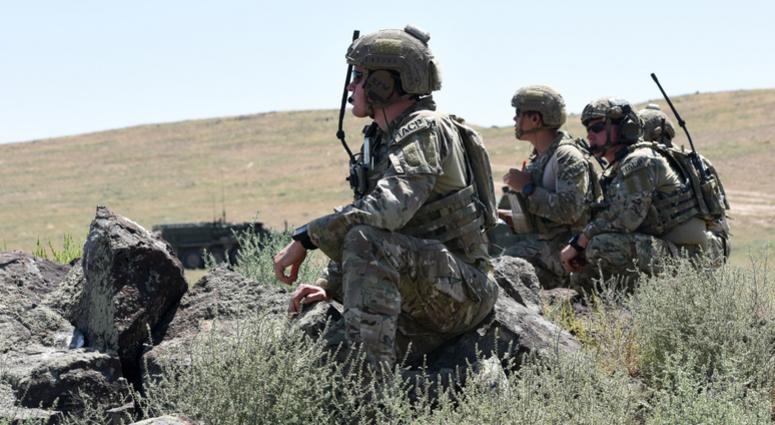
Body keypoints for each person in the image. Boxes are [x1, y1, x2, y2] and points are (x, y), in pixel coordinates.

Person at [272, 25, 498, 369]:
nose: (350, 87)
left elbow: (387, 211)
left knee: (366, 240)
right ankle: (371, 377)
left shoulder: (424, 128)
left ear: (384, 83)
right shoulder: (382, 137)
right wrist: (328, 287)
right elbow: (369, 219)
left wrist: (308, 237)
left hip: (462, 294)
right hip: (427, 292)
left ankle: (371, 387)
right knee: (322, 357)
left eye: (359, 76)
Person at [560, 98, 727, 290]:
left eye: (597, 128)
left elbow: (623, 219)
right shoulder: (619, 167)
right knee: (583, 275)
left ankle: (648, 298)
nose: (590, 135)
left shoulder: (642, 161)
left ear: (625, 128)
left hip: (688, 257)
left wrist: (578, 243)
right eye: (587, 129)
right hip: (668, 251)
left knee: (601, 245)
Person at [493, 85, 598, 288]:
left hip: (565, 249)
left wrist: (528, 189)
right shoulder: (539, 157)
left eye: (519, 113)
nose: (515, 119)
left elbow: (570, 211)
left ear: (535, 119)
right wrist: (513, 217)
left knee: (501, 270)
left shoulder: (567, 156)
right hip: (543, 242)